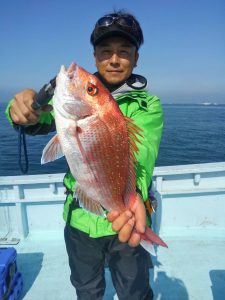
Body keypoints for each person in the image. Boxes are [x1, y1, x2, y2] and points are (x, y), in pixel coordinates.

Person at [5, 10, 163, 300]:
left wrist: (130, 200)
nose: (114, 59)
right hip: (79, 219)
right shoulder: (72, 102)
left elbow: (143, 155)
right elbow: (33, 121)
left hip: (125, 215)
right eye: (105, 52)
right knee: (87, 290)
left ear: (136, 58)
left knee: (135, 292)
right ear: (95, 57)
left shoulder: (147, 105)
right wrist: (23, 106)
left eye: (124, 52)